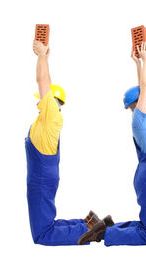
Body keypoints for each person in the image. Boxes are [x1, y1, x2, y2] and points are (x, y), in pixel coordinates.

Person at [78, 42, 146, 246]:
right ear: (139, 104)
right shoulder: (139, 121)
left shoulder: (144, 119)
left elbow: (141, 89)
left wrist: (137, 64)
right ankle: (103, 234)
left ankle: (108, 227)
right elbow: (144, 88)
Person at [26, 40, 101, 245]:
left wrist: (41, 56)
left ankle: (89, 231)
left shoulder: (51, 114)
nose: (37, 100)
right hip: (41, 174)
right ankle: (86, 224)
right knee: (45, 224)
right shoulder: (46, 117)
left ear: (53, 101)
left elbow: (42, 82)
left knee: (42, 235)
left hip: (41, 176)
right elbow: (45, 85)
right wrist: (45, 58)